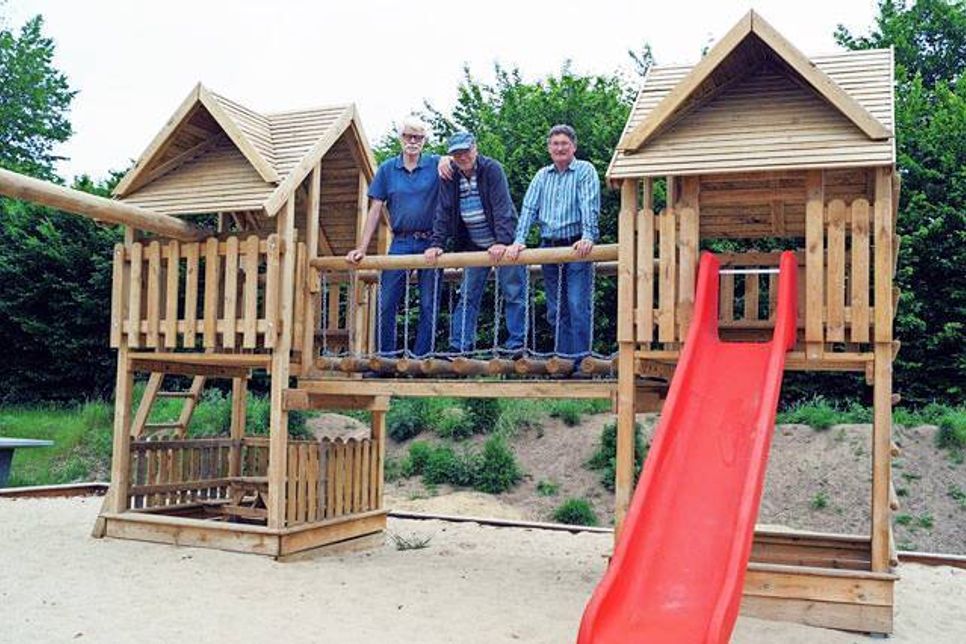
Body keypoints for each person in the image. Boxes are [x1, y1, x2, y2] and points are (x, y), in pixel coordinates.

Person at [346, 116, 452, 356]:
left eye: (418, 137)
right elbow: (375, 209)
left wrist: (447, 158)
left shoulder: (436, 164)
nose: (413, 141)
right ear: (400, 138)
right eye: (408, 136)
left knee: (428, 303)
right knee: (386, 301)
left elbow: (457, 167)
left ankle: (420, 359)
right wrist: (361, 247)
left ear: (425, 141)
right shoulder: (387, 169)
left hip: (430, 242)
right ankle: (385, 358)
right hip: (401, 242)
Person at [424, 132, 526, 354]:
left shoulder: (492, 169)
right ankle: (459, 346)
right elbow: (444, 210)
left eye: (466, 151)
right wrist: (436, 243)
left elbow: (502, 207)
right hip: (474, 245)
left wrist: (502, 241)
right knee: (468, 295)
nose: (462, 157)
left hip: (504, 244)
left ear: (475, 148)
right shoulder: (450, 176)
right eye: (456, 153)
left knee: (513, 292)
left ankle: (516, 345)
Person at [505, 124, 600, 359]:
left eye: (564, 143)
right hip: (548, 246)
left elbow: (589, 204)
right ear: (549, 148)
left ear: (574, 146)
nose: (560, 148)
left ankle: (580, 362)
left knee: (577, 304)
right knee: (556, 308)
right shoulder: (541, 176)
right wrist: (519, 240)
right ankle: (562, 359)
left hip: (576, 244)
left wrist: (588, 236)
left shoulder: (585, 170)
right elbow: (528, 208)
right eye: (555, 144)